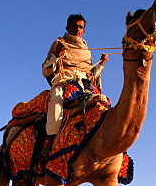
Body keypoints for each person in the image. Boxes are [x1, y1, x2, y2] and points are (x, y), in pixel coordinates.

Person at [41, 14, 109, 145]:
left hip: (84, 83)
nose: (78, 29)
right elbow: (46, 70)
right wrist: (57, 55)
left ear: (84, 31)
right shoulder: (59, 43)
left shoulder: (86, 50)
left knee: (103, 103)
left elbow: (90, 75)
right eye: (75, 25)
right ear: (67, 27)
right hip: (64, 80)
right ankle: (51, 139)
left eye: (80, 27)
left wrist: (101, 64)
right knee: (56, 100)